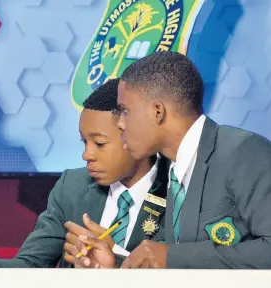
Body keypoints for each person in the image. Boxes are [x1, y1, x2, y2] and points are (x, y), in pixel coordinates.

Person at [0, 79, 170, 268]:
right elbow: (32, 264)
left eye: (99, 143)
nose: (86, 155)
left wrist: (114, 260)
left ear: (135, 134)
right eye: (84, 141)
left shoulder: (179, 188)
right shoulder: (73, 185)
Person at [102, 51, 271, 268]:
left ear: (157, 111)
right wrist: (112, 263)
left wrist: (174, 257)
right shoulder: (174, 170)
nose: (120, 124)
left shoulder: (244, 152)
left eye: (125, 111)